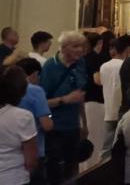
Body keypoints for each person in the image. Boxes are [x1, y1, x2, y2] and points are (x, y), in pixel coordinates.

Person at [39, 30, 88, 184]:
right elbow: (42, 103)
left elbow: (79, 96)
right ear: (64, 48)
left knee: (72, 168)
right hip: (54, 127)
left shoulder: (80, 64)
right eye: (75, 46)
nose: (80, 50)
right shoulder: (50, 67)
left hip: (73, 125)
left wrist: (84, 123)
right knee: (54, 170)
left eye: (81, 46)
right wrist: (65, 99)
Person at [14, 58, 53, 185]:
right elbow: (46, 125)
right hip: (34, 148)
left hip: (11, 150)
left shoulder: (8, 90)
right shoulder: (36, 91)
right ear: (35, 74)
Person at [100, 34, 130, 158]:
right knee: (122, 146)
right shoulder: (127, 66)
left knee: (106, 147)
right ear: (128, 49)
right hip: (122, 110)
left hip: (108, 109)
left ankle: (103, 171)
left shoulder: (104, 66)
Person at [82, 32, 107, 170]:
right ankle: (93, 169)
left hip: (83, 101)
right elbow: (98, 80)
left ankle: (84, 168)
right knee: (96, 138)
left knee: (87, 136)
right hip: (95, 102)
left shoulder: (81, 59)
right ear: (99, 44)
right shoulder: (96, 59)